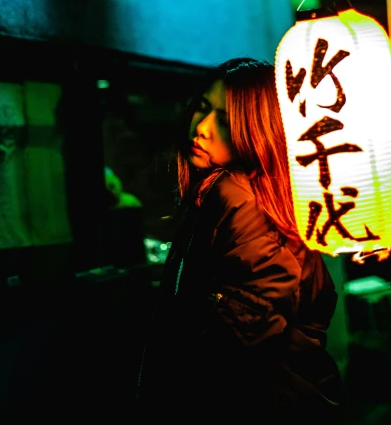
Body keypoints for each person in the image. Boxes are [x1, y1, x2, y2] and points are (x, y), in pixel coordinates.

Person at [135, 57, 342, 417]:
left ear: (255, 129)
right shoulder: (234, 191)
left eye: (225, 119)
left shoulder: (236, 196)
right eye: (202, 108)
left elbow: (248, 327)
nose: (201, 128)